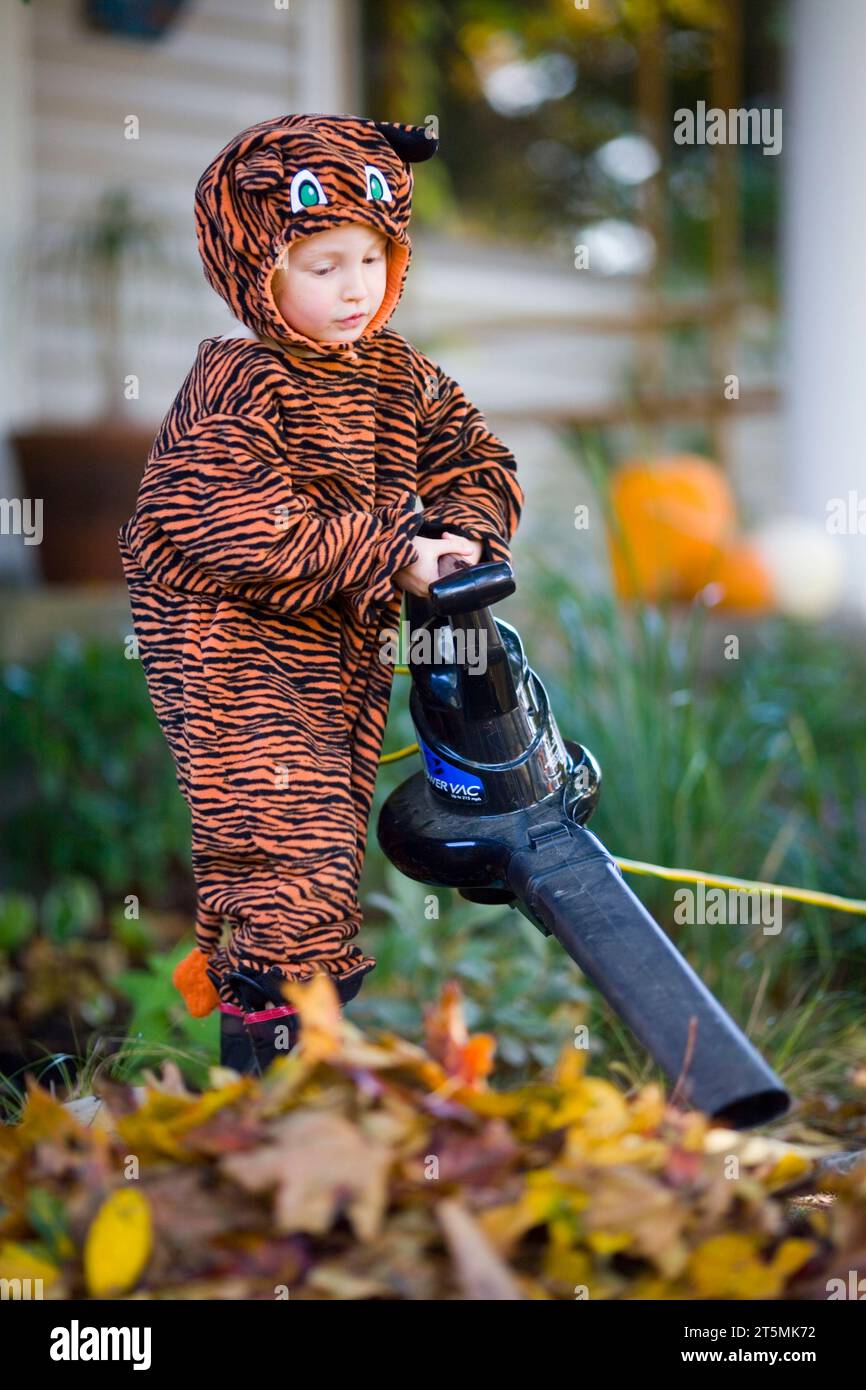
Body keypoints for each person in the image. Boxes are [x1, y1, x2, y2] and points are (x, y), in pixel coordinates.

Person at [117, 113, 524, 1073]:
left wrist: (465, 525)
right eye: (322, 264)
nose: (357, 288)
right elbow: (222, 521)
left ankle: (283, 1066)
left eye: (373, 259)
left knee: (319, 857)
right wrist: (394, 551)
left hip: (335, 644)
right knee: (283, 850)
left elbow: (477, 454)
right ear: (258, 265)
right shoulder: (237, 377)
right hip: (225, 641)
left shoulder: (398, 376)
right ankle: (274, 1088)